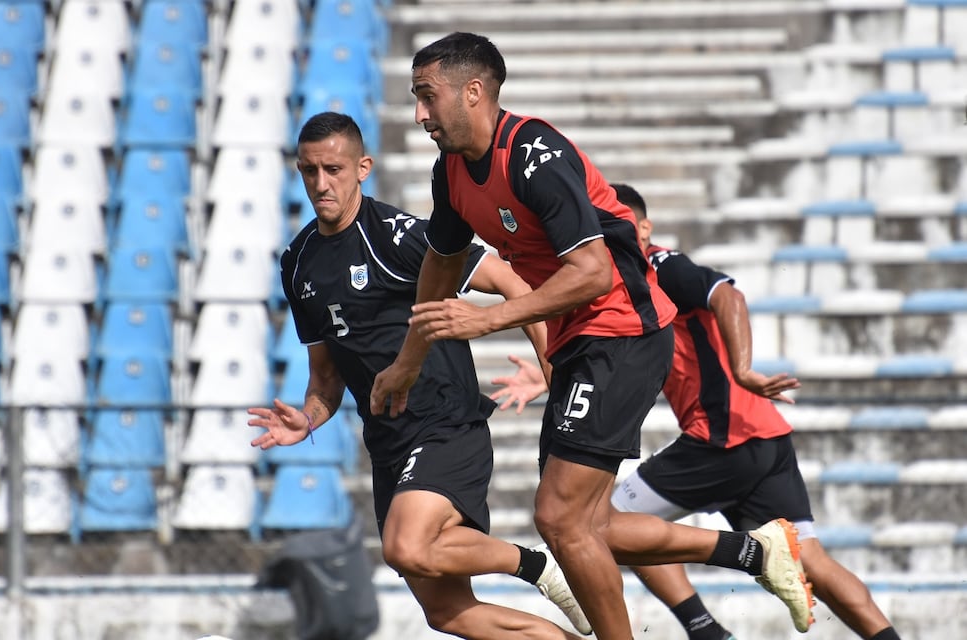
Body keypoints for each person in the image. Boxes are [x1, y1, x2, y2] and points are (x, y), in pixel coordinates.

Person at [369, 31, 815, 640]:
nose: (418, 114)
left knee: (559, 518)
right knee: (594, 522)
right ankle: (759, 553)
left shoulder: (534, 154)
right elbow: (441, 267)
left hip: (623, 329)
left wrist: (489, 318)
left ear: (473, 92)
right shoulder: (450, 172)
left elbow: (594, 271)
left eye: (427, 96)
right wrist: (408, 361)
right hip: (583, 340)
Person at [494, 183, 902, 640]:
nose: (611, 235)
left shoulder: (659, 267)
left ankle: (704, 628)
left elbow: (728, 295)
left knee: (596, 521)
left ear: (644, 227)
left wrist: (743, 369)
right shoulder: (616, 281)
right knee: (811, 559)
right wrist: (549, 373)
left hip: (721, 438)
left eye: (620, 224)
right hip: (764, 438)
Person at [247, 111, 592, 640]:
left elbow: (510, 281)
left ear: (362, 167)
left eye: (333, 169)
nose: (321, 183)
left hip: (444, 423)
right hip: (387, 441)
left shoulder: (396, 236)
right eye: (309, 171)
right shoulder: (298, 263)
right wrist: (308, 418)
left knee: (406, 547)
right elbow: (325, 380)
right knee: (448, 612)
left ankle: (535, 566)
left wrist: (554, 366)